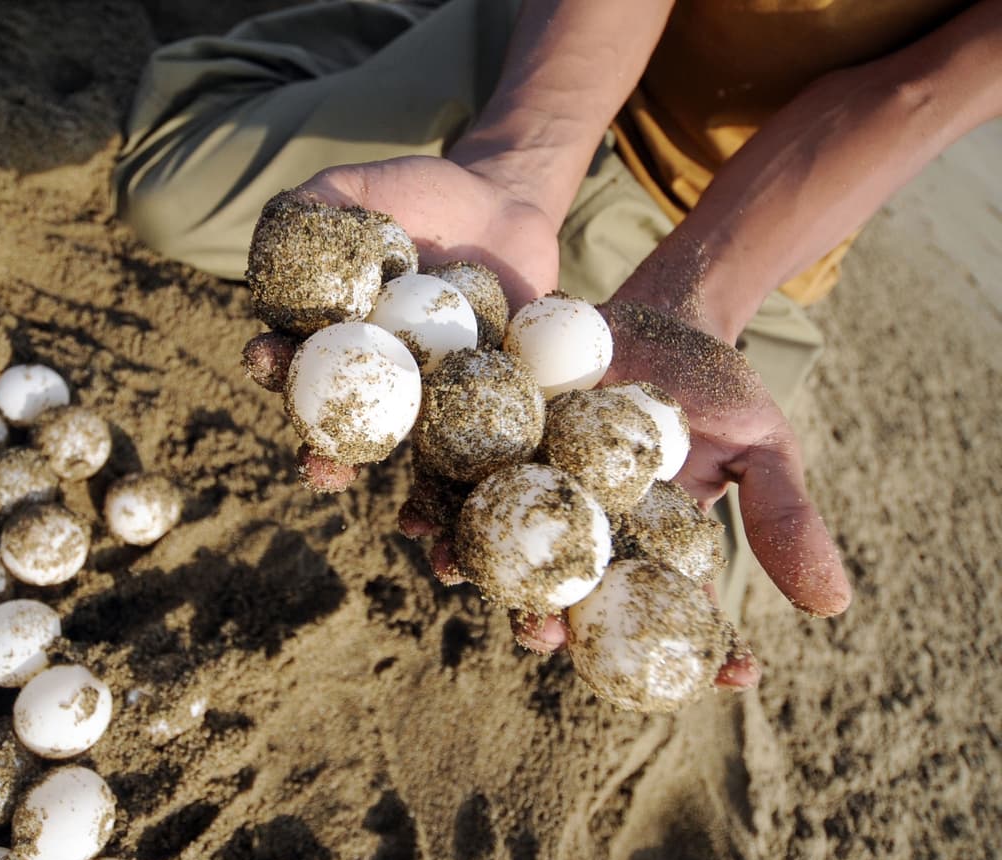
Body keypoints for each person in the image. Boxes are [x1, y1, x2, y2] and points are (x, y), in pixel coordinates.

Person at [111, 0, 1002, 688]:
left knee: (662, 578)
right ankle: (412, 35)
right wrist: (521, 162)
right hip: (558, 65)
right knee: (169, 187)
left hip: (751, 219)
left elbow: (918, 94)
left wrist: (704, 294)